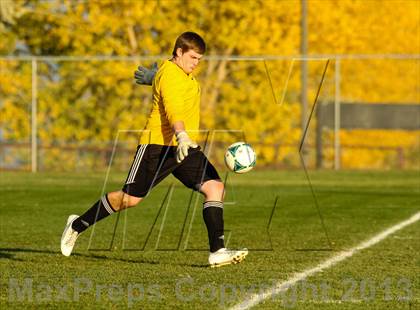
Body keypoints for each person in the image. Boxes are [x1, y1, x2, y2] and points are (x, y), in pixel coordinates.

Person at [61, 32, 248, 267]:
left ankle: (217, 251)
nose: (196, 63)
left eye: (199, 59)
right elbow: (173, 111)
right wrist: (180, 134)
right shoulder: (170, 75)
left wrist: (155, 78)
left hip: (184, 147)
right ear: (178, 51)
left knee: (215, 187)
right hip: (157, 146)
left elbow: (175, 89)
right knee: (128, 200)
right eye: (192, 57)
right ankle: (77, 225)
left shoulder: (178, 73)